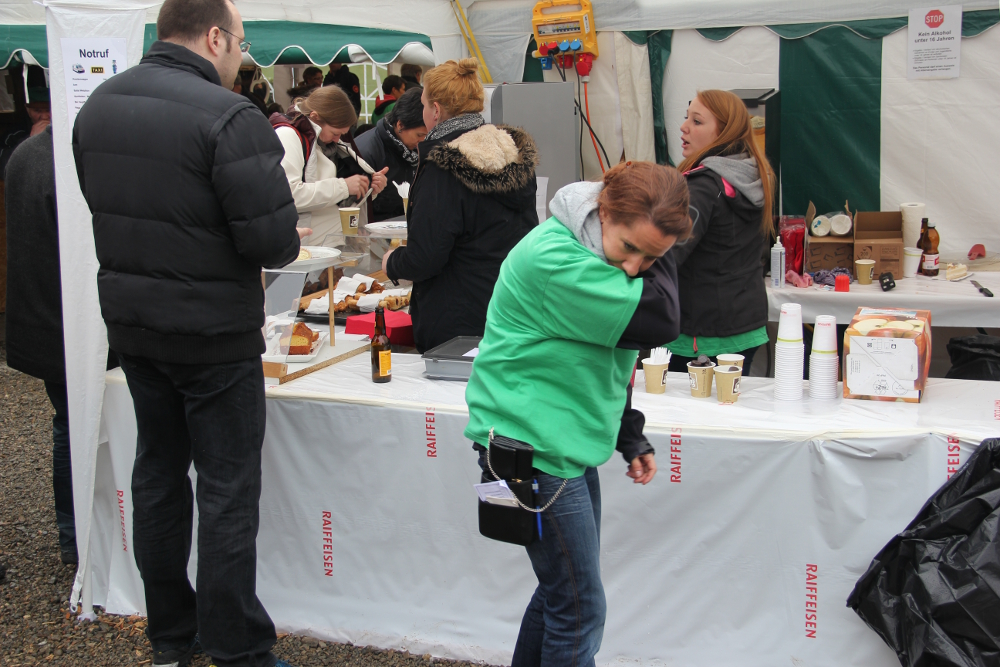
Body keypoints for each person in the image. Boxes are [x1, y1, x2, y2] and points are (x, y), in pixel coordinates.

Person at [71, 0, 307, 665]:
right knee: (226, 490)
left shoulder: (99, 106)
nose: (242, 57)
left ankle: (172, 636)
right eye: (242, 43)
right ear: (214, 37)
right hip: (212, 335)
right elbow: (274, 242)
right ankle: (237, 648)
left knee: (159, 474)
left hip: (136, 326)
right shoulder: (230, 116)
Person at [465, 161, 690, 667]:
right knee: (580, 608)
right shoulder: (555, 259)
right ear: (603, 211)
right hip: (529, 451)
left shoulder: (593, 247)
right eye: (630, 248)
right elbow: (662, 318)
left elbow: (604, 353)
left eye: (651, 258)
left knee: (559, 593)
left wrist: (628, 434)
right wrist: (667, 239)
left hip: (556, 443)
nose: (633, 268)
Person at [382, 59, 538, 352]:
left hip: (457, 324)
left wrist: (392, 261)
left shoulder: (443, 167)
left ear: (436, 110)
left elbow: (425, 257)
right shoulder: (509, 153)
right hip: (509, 311)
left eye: (424, 104)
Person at [3, 125, 78, 566]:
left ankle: (74, 532)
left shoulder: (25, 153)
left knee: (68, 425)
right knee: (75, 427)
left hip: (43, 320)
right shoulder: (62, 162)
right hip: (64, 321)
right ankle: (78, 533)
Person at [666, 89, 775, 376]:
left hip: (703, 333)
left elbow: (669, 254)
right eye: (686, 117)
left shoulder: (703, 186)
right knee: (729, 400)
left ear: (723, 133)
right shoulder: (752, 176)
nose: (684, 127)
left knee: (684, 405)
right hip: (744, 322)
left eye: (697, 121)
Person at [271, 85, 388, 245]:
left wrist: (367, 189)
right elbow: (289, 194)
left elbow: (333, 198)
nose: (337, 139)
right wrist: (344, 186)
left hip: (326, 246)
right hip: (305, 249)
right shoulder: (288, 135)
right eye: (335, 133)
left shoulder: (321, 140)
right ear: (315, 117)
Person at [354, 86, 425, 222]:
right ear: (400, 125)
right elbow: (353, 205)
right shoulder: (366, 150)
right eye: (419, 135)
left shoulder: (414, 149)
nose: (423, 140)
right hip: (375, 230)